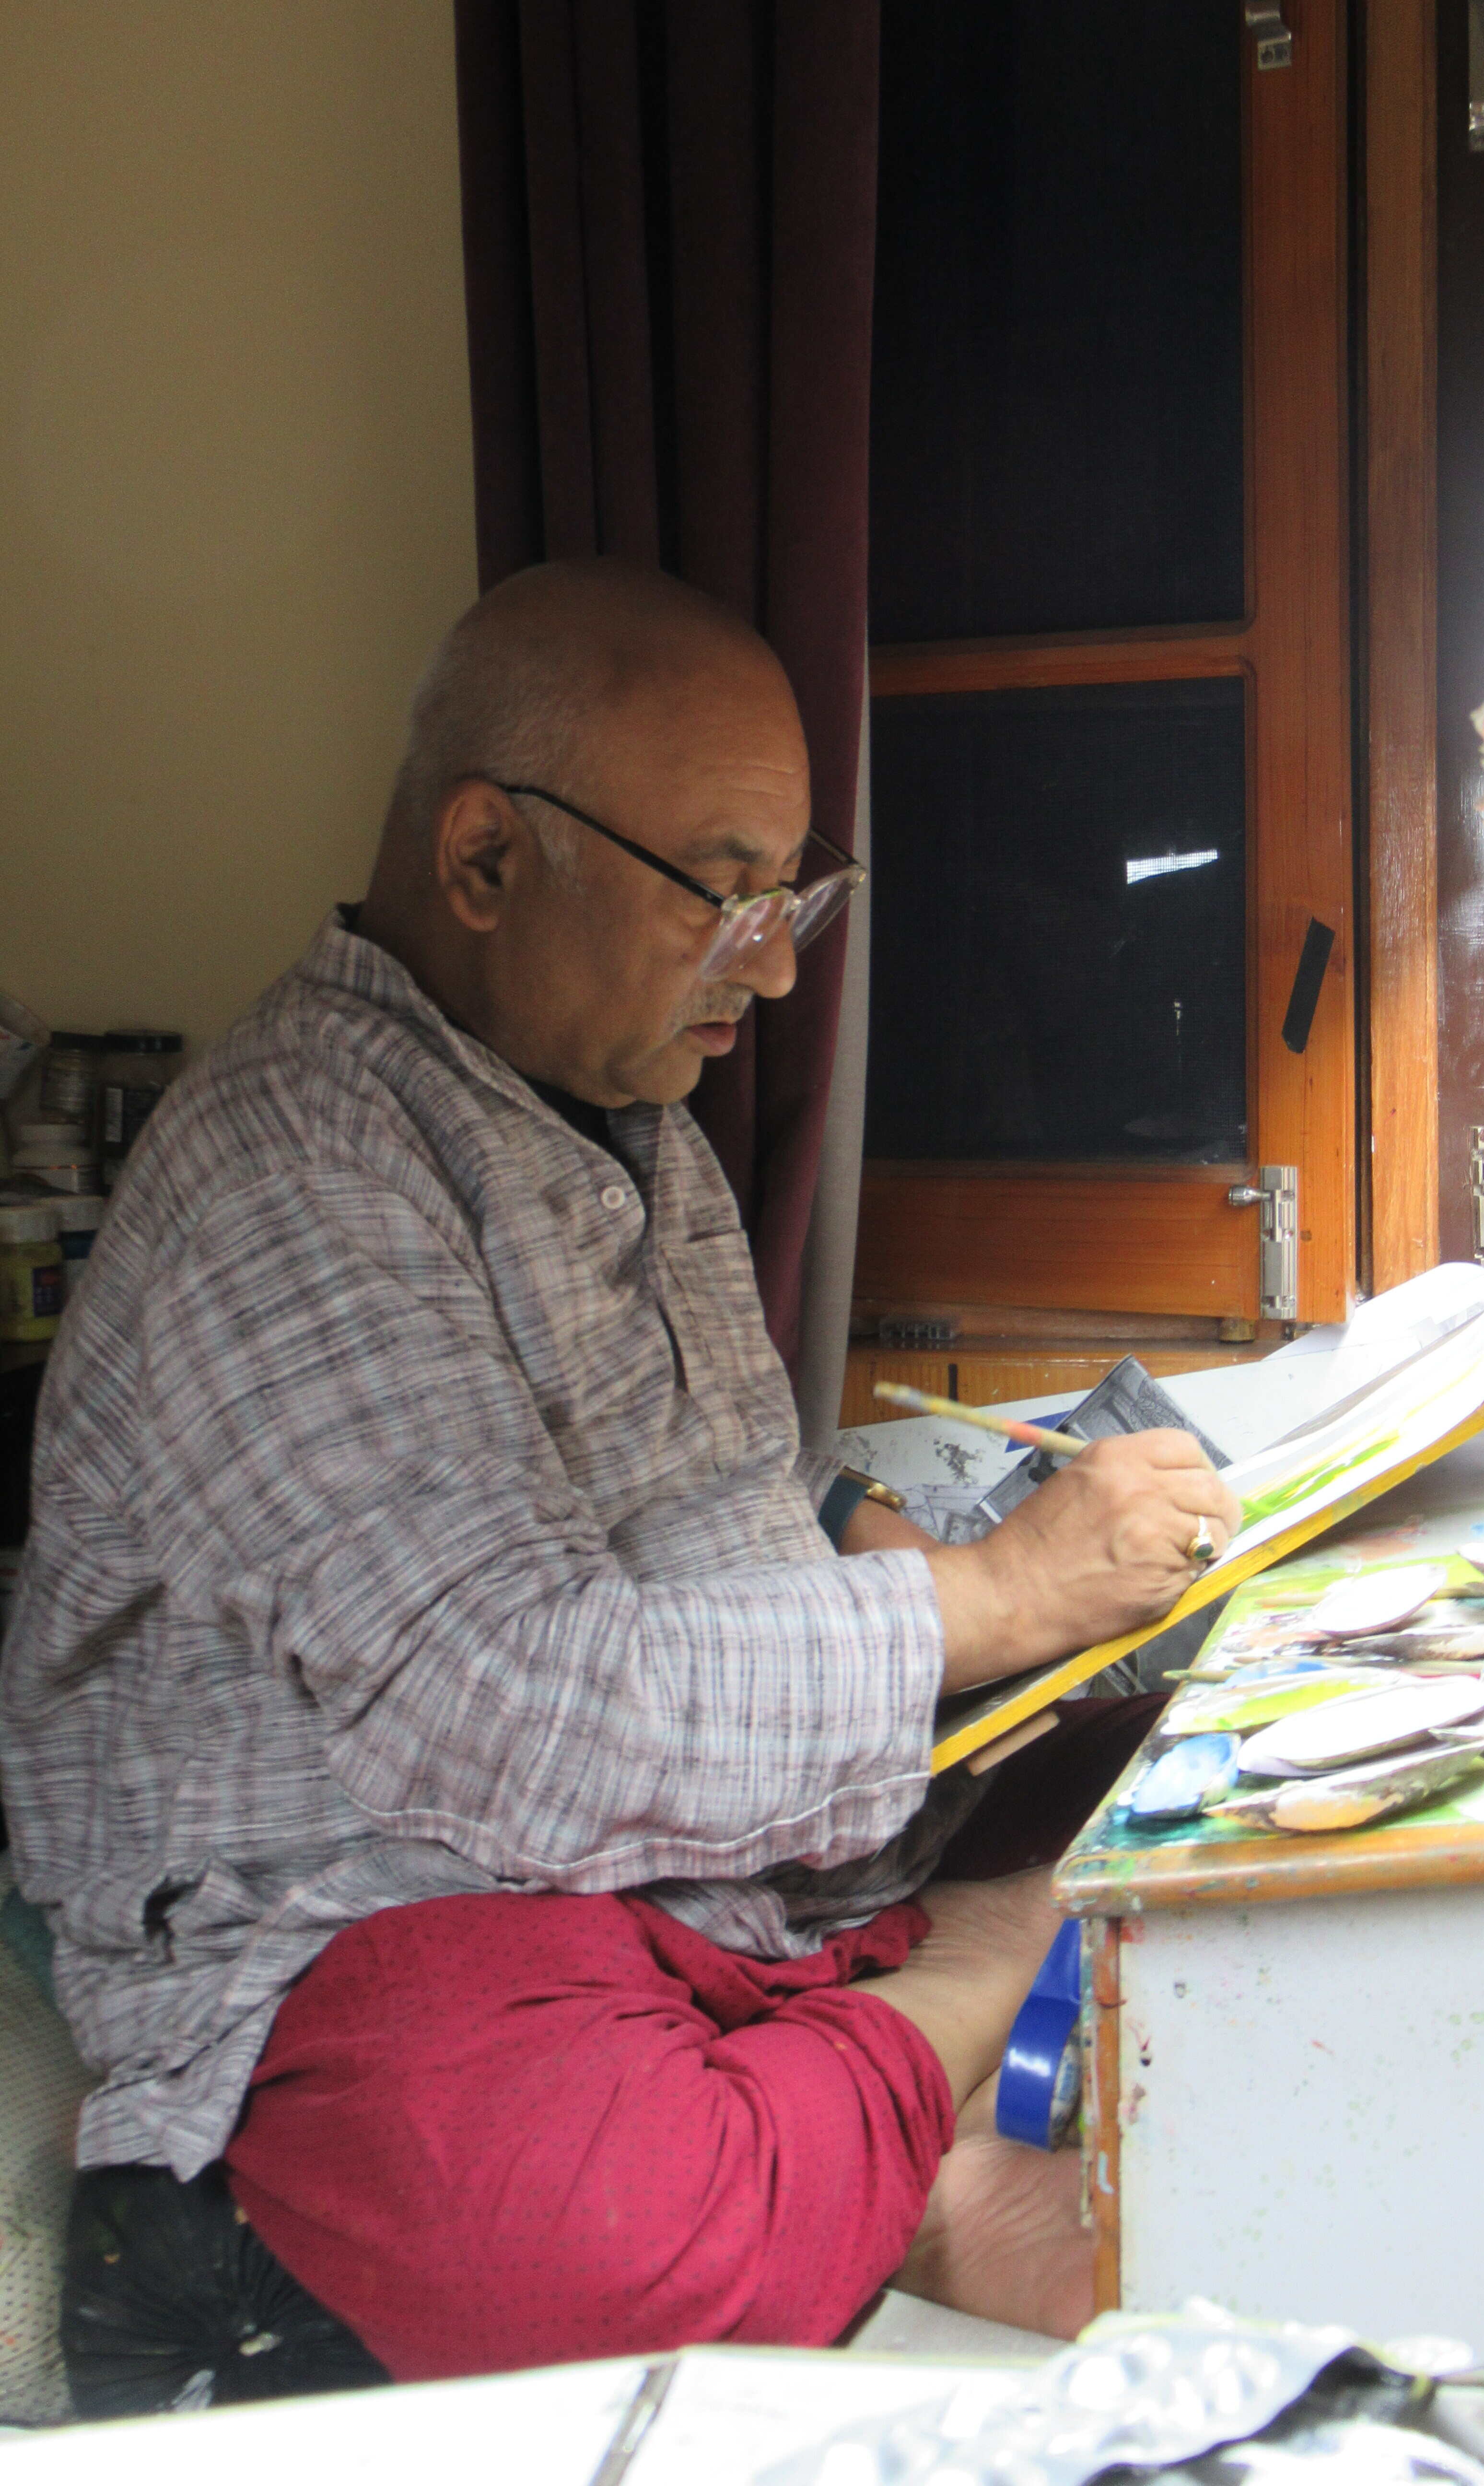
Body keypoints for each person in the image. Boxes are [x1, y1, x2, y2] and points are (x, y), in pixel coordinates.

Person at [0, 560, 1238, 2390]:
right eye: (729, 893)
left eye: (800, 892)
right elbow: (504, 1710)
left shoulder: (625, 1124)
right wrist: (996, 1598)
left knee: (1172, 1738)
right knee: (585, 2220)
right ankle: (951, 2036)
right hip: (384, 1911)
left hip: (698, 1870)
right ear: (487, 861)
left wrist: (853, 1530)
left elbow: (693, 1488)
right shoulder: (299, 1171)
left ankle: (865, 2100)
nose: (785, 964)